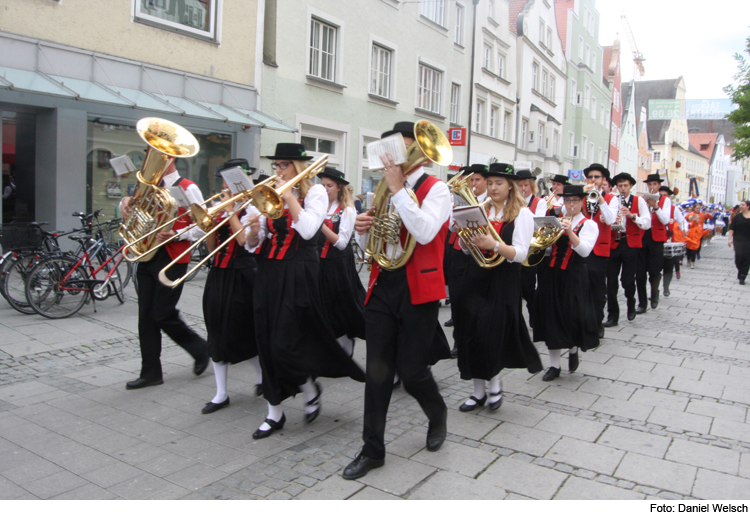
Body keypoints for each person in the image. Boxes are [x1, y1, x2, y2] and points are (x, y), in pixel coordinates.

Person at [343, 121, 451, 480]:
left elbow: (423, 232)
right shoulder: (386, 192)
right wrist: (362, 231)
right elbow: (375, 246)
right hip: (384, 283)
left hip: (418, 288)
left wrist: (398, 189)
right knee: (377, 372)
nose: (397, 158)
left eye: (406, 149)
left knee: (412, 370)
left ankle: (437, 413)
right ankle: (372, 448)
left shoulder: (438, 191)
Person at [243, 143, 365, 439]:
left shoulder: (315, 193)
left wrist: (287, 196)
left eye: (283, 165)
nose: (278, 171)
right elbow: (250, 245)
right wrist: (253, 228)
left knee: (288, 340)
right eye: (276, 165)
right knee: (266, 340)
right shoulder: (267, 192)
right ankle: (274, 412)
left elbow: (309, 229)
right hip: (268, 272)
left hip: (298, 271)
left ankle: (310, 389)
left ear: (298, 167)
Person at [453, 163, 541, 411]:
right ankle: (478, 392)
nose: (492, 187)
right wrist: (465, 239)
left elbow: (522, 253)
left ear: (510, 186)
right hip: (476, 276)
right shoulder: (480, 209)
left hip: (503, 279)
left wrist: (493, 245)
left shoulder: (522, 213)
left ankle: (494, 385)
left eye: (498, 183)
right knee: (470, 334)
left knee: (490, 335)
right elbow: (464, 249)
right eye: (490, 183)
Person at [120, 158, 210, 389]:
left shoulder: (188, 187)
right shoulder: (148, 186)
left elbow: (204, 224)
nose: (151, 159)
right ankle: (150, 372)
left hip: (173, 256)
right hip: (148, 254)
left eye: (157, 154)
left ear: (170, 158)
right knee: (146, 317)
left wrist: (177, 234)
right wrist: (125, 205)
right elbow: (135, 213)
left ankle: (200, 349)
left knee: (162, 313)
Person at [200, 159, 262, 414]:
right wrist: (207, 226)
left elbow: (242, 239)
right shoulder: (220, 206)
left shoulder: (254, 206)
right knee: (216, 330)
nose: (225, 185)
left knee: (243, 330)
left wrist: (229, 213)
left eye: (230, 180)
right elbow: (212, 248)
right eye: (223, 180)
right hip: (220, 272)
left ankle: (261, 376)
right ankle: (221, 393)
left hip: (244, 273)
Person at [533, 185, 600, 381]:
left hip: (575, 276)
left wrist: (571, 233)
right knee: (551, 318)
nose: (571, 205)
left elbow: (585, 251)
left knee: (571, 318)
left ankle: (572, 349)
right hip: (552, 274)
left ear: (582, 202)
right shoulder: (556, 220)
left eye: (575, 201)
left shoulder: (589, 224)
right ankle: (554, 366)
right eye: (568, 201)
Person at [317, 166, 366, 356]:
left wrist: (320, 224)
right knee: (322, 306)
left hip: (337, 264)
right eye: (322, 185)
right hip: (319, 263)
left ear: (339, 187)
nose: (325, 189)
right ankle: (329, 348)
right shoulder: (319, 207)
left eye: (329, 185)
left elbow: (342, 243)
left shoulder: (347, 210)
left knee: (342, 306)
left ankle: (347, 345)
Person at [603, 173, 651, 327]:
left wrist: (632, 216)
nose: (622, 189)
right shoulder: (612, 201)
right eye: (620, 186)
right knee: (611, 282)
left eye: (625, 186)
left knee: (627, 280)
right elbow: (605, 219)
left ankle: (631, 302)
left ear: (631, 186)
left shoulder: (639, 201)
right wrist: (612, 220)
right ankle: (612, 316)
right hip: (614, 243)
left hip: (630, 244)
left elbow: (647, 222)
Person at [444, 164, 488, 330]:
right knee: (457, 293)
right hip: (459, 249)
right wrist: (457, 218)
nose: (473, 184)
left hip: (481, 251)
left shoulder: (489, 200)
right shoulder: (459, 198)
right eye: (471, 180)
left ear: (485, 181)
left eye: (477, 179)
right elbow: (450, 227)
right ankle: (458, 337)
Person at [581, 163, 618, 338]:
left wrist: (600, 199)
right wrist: (581, 192)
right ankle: (583, 323)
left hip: (599, 250)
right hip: (581, 247)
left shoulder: (612, 198)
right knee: (581, 288)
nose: (593, 180)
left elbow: (610, 219)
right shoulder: (582, 196)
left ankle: (597, 324)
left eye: (597, 177)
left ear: (604, 180)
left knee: (597, 291)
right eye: (590, 177)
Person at [636, 174, 671, 312]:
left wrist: (656, 207)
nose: (652, 187)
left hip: (656, 238)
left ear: (659, 186)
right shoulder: (641, 200)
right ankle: (642, 303)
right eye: (649, 185)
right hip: (643, 236)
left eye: (654, 184)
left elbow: (666, 220)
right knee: (640, 272)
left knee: (655, 270)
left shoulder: (665, 200)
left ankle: (654, 292)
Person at [517, 169, 546, 319]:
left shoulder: (539, 202)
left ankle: (535, 317)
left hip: (531, 249)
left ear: (532, 186)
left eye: (526, 185)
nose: (523, 189)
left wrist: (524, 209)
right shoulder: (512, 201)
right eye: (520, 185)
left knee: (528, 288)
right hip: (515, 247)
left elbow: (538, 224)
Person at [659, 186, 687, 297]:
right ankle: (654, 290)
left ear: (669, 197)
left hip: (668, 242)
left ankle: (666, 287)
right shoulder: (651, 207)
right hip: (655, 242)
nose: (662, 197)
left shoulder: (673, 209)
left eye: (665, 195)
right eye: (660, 195)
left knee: (668, 266)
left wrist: (684, 229)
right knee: (655, 268)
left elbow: (682, 221)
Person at [728, 200, 750, 285]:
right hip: (738, 241)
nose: (741, 206)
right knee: (738, 259)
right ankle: (740, 271)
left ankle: (743, 275)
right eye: (740, 205)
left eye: (743, 205)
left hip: (748, 241)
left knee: (747, 259)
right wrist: (730, 239)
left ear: (748, 206)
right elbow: (732, 228)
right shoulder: (737, 217)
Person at [685, 204, 703, 269]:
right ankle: (688, 260)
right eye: (697, 208)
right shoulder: (691, 216)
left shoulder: (701, 215)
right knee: (688, 251)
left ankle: (693, 261)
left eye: (699, 208)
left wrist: (705, 232)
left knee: (694, 251)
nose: (698, 209)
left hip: (696, 239)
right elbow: (686, 219)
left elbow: (701, 231)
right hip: (690, 239)